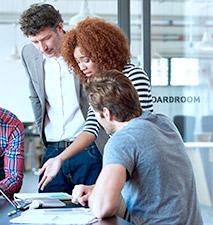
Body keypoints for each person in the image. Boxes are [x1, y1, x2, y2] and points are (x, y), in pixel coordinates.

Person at [72, 69, 203, 224]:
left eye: (94, 113)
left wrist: (95, 197)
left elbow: (103, 208)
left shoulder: (121, 141)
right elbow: (154, 182)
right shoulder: (164, 123)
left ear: (106, 113)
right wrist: (97, 189)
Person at [38, 17, 154, 190]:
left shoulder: (133, 75)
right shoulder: (96, 84)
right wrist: (59, 159)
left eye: (86, 59)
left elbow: (141, 126)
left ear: (103, 52)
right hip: (121, 157)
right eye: (78, 62)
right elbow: (91, 127)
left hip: (138, 158)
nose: (82, 67)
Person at [19, 3, 104, 194]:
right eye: (35, 41)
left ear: (59, 27)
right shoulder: (28, 54)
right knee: (48, 212)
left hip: (88, 148)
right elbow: (35, 95)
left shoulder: (83, 51)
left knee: (91, 212)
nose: (42, 47)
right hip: (52, 148)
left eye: (46, 38)